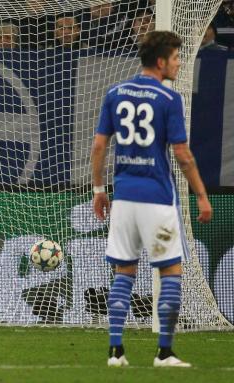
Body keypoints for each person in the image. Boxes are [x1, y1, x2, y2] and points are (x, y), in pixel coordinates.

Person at [90, 31, 213, 367]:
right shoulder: (168, 99)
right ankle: (164, 352)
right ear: (161, 62)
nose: (178, 63)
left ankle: (116, 351)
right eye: (175, 58)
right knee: (171, 272)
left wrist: (99, 190)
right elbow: (183, 154)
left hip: (124, 197)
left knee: (123, 272)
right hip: (157, 197)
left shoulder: (115, 93)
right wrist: (201, 195)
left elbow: (99, 146)